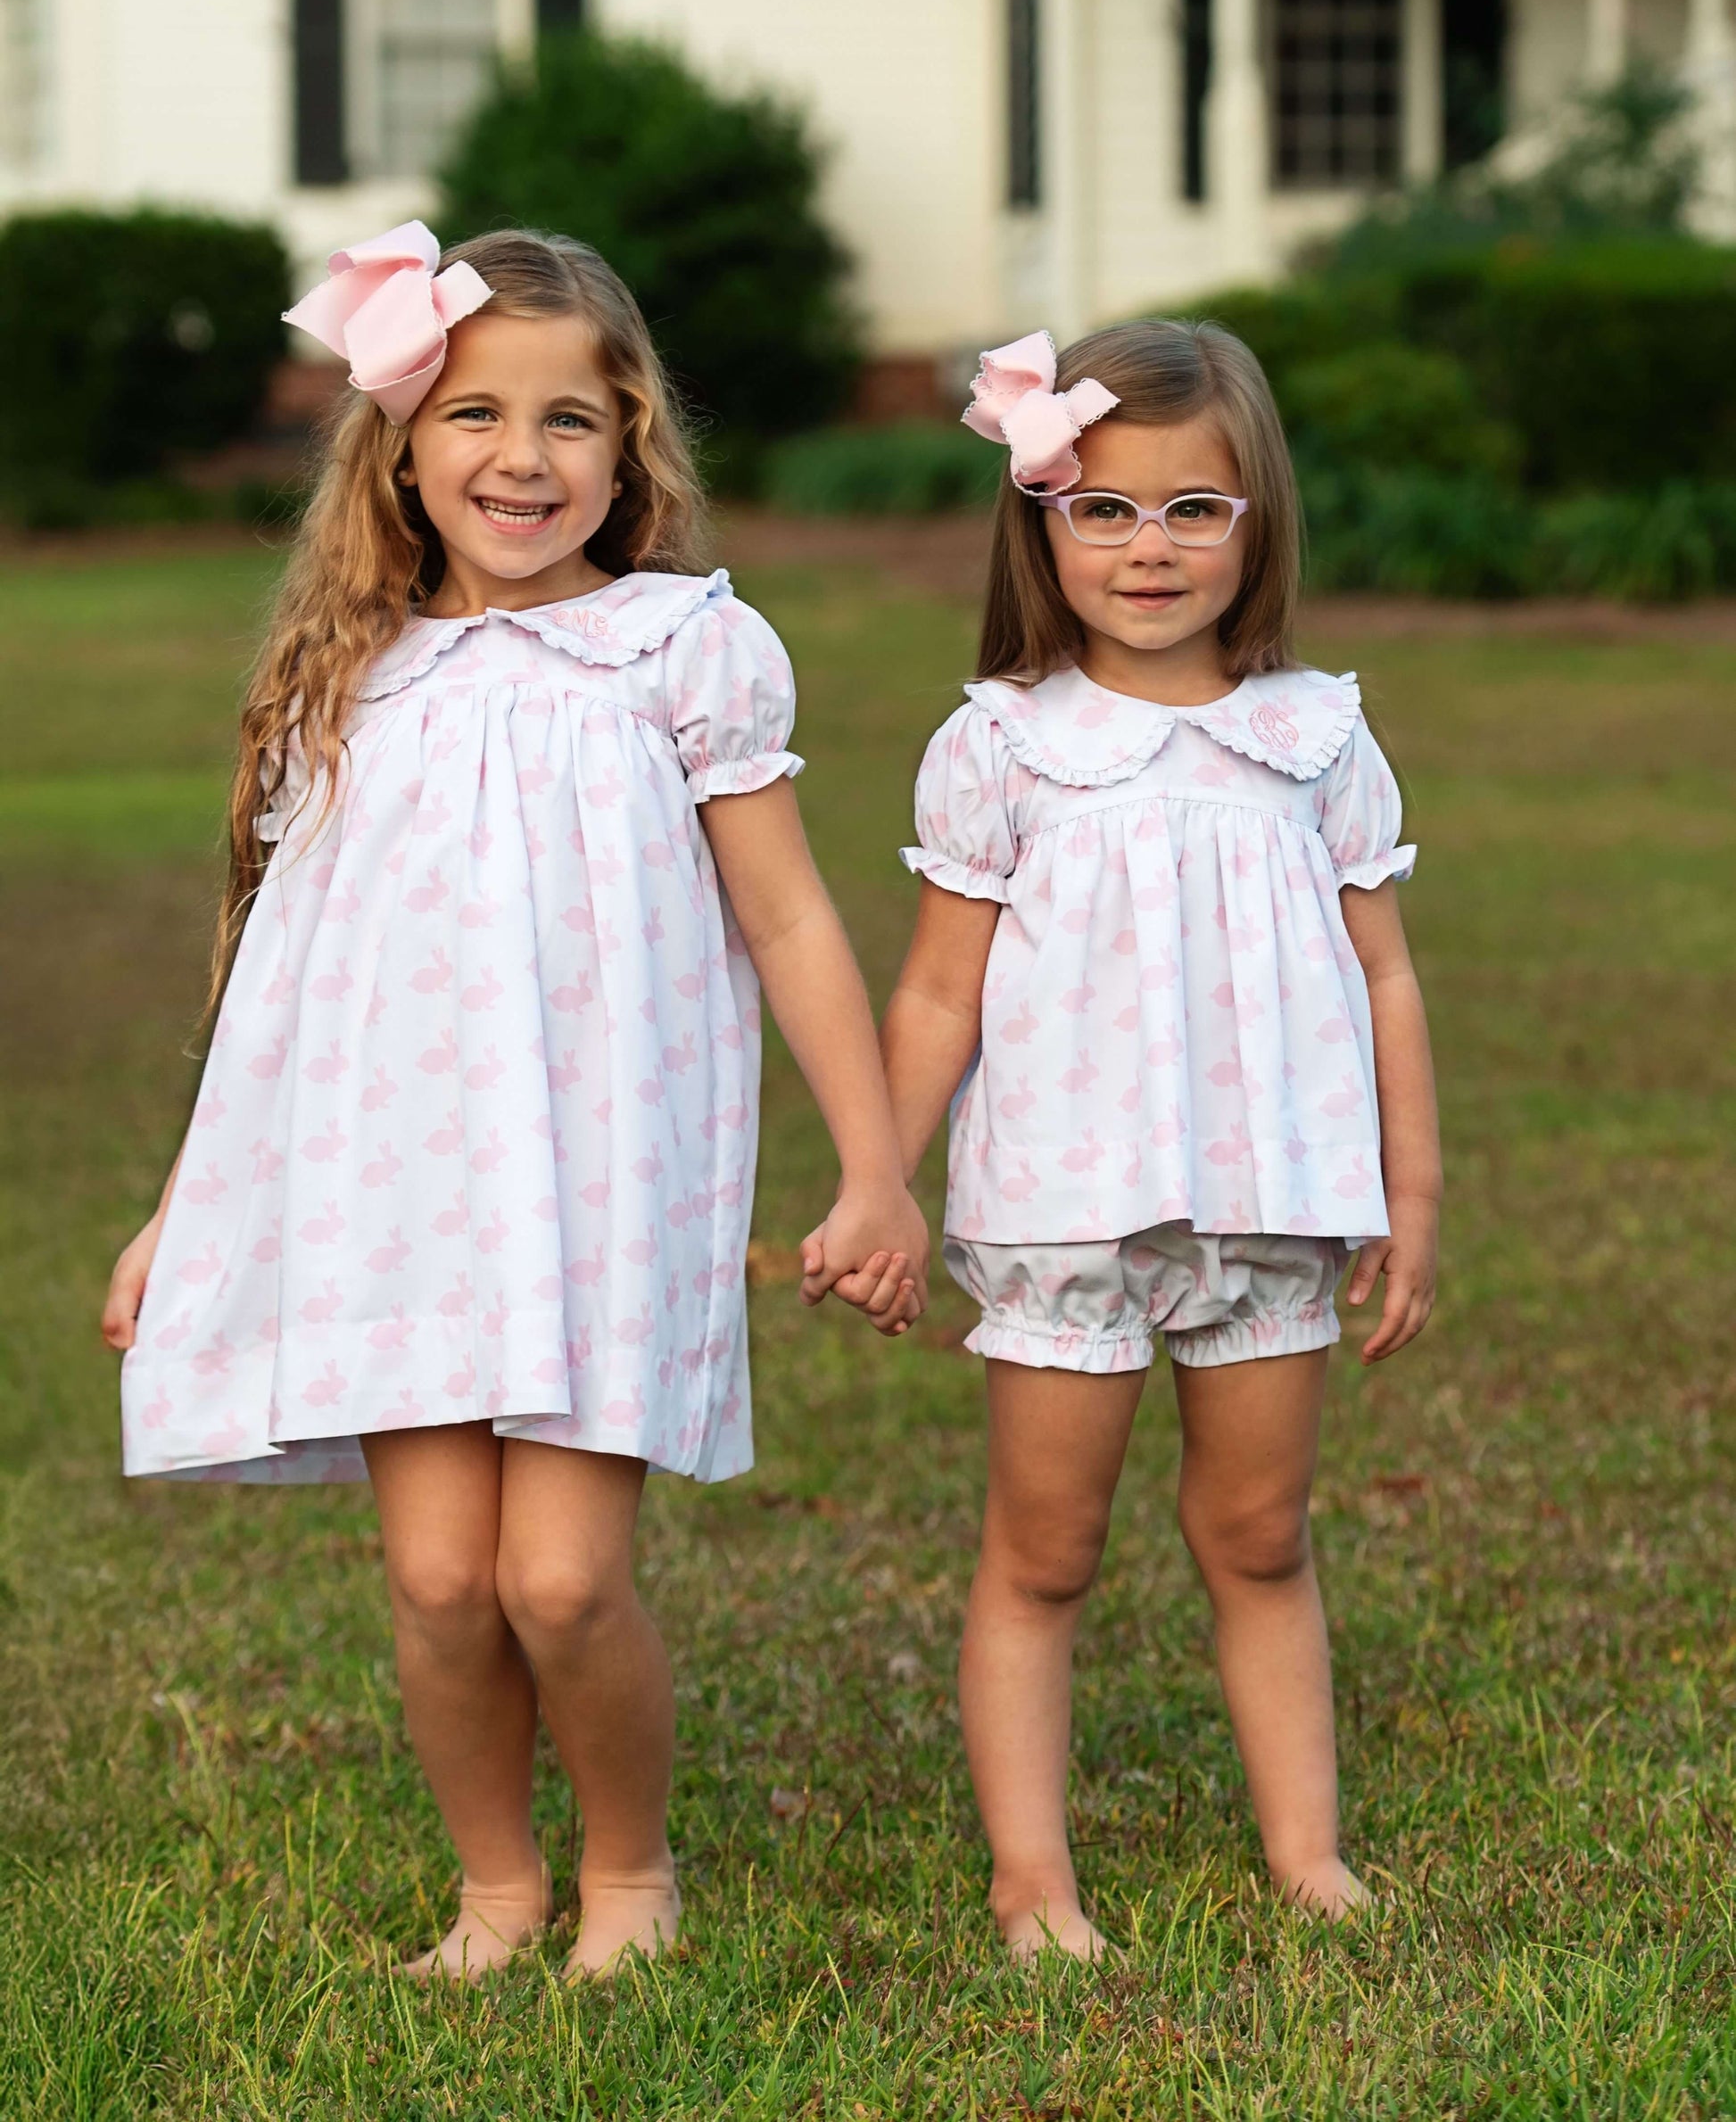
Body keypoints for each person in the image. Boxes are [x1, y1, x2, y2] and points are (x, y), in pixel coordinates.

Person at [102, 223, 927, 1982]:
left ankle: (627, 1869)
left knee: (557, 1580)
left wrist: (872, 1169)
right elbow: (276, 986)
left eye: (570, 419)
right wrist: (189, 1209)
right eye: (474, 413)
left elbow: (784, 911)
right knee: (436, 1583)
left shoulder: (680, 652)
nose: (521, 457)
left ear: (630, 448)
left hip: (603, 1176)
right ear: (398, 443)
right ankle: (497, 1885)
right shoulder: (343, 677)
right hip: (391, 1186)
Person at [878, 323, 1440, 1956]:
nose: (1148, 548)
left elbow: (1386, 979)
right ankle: (1031, 1876)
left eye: (1196, 510)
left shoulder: (1315, 740)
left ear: (1257, 521)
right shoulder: (1002, 744)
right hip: (1067, 1215)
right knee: (1044, 1552)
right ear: (1040, 521)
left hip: (1268, 1207)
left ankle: (1306, 1850)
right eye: (1104, 510)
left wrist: (1406, 1195)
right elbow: (931, 995)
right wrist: (876, 1186)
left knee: (1259, 1533)